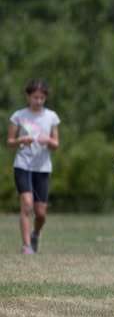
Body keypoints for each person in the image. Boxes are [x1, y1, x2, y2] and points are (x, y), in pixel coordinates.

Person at [7, 79, 60, 254]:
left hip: (42, 167)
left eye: (42, 98)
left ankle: (36, 233)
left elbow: (56, 144)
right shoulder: (18, 116)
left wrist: (49, 141)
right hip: (23, 165)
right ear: (28, 96)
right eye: (35, 97)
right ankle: (26, 245)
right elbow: (10, 142)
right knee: (27, 205)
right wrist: (20, 140)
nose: (38, 101)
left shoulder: (51, 116)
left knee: (41, 213)